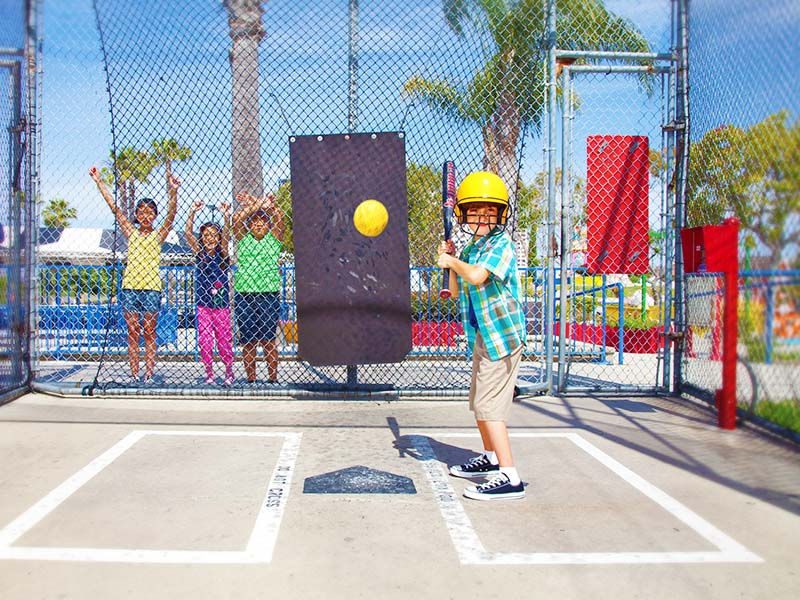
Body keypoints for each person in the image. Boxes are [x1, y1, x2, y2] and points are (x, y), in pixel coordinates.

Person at [436, 171, 526, 501]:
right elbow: (459, 286)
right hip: (483, 336)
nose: (482, 217)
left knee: (490, 407)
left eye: (490, 211)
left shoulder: (501, 244)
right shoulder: (474, 247)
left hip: (503, 338)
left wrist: (454, 260)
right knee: (478, 403)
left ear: (501, 214)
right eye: (474, 211)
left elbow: (475, 277)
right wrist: (452, 260)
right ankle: (490, 459)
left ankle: (510, 476)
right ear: (463, 215)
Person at [89, 165, 179, 383]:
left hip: (151, 289)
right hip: (130, 287)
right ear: (137, 215)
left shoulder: (158, 235)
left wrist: (174, 192)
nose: (146, 215)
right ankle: (134, 374)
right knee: (132, 332)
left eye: (150, 212)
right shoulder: (131, 233)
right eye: (142, 212)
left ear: (154, 215)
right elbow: (115, 209)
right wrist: (99, 181)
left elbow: (172, 215)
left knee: (149, 331)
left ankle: (149, 373)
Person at [231, 191, 284, 383]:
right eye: (254, 221)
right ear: (249, 225)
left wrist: (269, 206)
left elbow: (279, 219)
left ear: (268, 224)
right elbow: (236, 219)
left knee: (269, 341)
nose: (259, 223)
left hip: (268, 295)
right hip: (244, 295)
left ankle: (273, 379)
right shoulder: (243, 240)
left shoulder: (274, 239)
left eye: (263, 220)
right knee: (248, 342)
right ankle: (251, 380)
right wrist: (257, 204)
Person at [185, 200, 235, 386]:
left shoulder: (222, 253)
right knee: (205, 341)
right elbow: (188, 233)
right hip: (203, 305)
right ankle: (209, 373)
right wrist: (192, 211)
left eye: (214, 235)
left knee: (223, 342)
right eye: (206, 235)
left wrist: (226, 216)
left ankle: (229, 371)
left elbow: (227, 235)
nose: (210, 238)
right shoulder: (200, 253)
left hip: (221, 306)